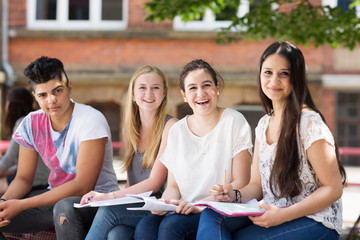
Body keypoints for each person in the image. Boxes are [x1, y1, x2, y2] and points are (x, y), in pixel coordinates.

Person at [196, 41, 347, 240]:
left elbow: (333, 188)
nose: (274, 80)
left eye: (284, 73)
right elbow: (257, 185)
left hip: (316, 221)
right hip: (274, 212)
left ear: (297, 79)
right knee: (211, 215)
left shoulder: (309, 123)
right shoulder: (264, 124)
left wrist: (283, 216)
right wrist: (232, 195)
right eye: (268, 72)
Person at [0, 56, 119, 240]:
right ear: (35, 97)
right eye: (43, 95)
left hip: (96, 202)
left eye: (57, 91)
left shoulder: (90, 119)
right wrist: (4, 203)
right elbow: (23, 178)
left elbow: (82, 186)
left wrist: (22, 205)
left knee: (63, 208)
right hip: (54, 199)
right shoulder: (31, 123)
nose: (51, 100)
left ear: (69, 87)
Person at [134, 59, 253, 240]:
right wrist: (166, 202)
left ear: (217, 87)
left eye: (207, 85)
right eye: (192, 88)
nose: (200, 93)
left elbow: (242, 182)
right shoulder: (177, 131)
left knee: (171, 227)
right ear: (184, 95)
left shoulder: (234, 121)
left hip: (220, 208)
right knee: (145, 227)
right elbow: (173, 187)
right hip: (186, 207)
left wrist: (203, 203)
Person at [81, 65, 177, 240]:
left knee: (107, 211)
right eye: (142, 88)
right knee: (116, 235)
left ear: (164, 93)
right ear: (133, 93)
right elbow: (131, 183)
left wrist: (109, 197)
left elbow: (155, 183)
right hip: (138, 205)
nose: (149, 94)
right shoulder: (129, 130)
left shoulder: (171, 126)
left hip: (161, 206)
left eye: (155, 88)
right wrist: (117, 198)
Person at [0, 88, 49, 194]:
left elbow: (7, 160)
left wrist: (6, 170)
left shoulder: (22, 122)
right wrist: (11, 170)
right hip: (43, 179)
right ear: (32, 103)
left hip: (33, 182)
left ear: (10, 105)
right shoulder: (37, 120)